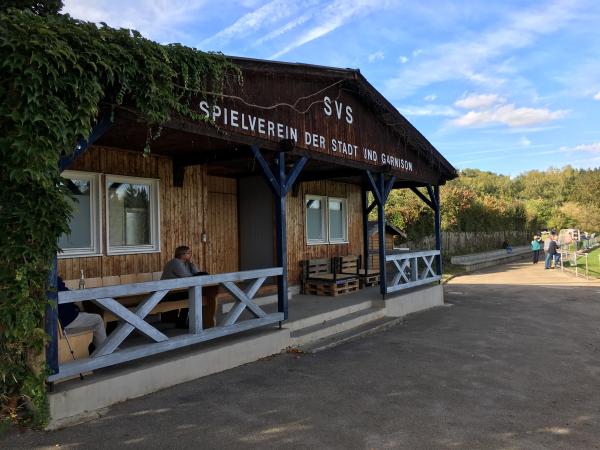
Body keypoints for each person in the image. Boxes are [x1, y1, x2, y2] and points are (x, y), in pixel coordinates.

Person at [161, 245, 216, 328]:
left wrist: (191, 264)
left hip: (179, 290)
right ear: (181, 254)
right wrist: (197, 274)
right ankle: (184, 322)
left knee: (196, 294)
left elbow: (196, 273)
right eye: (188, 253)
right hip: (166, 293)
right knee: (194, 295)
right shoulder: (175, 262)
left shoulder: (186, 263)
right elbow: (186, 277)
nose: (190, 254)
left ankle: (188, 321)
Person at [57, 276, 107, 348]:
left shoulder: (44, 280)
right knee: (98, 319)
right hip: (66, 321)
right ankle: (105, 351)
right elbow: (66, 296)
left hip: (62, 320)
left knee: (88, 310)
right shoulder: (53, 279)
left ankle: (99, 346)